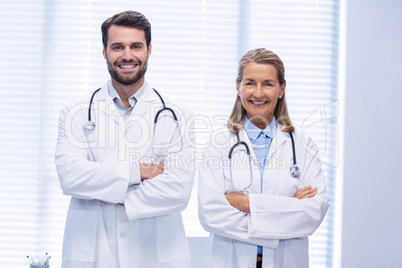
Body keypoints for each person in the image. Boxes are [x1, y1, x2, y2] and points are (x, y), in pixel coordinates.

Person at [55, 11, 195, 268]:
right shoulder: (75, 111)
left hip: (155, 255)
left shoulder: (178, 116)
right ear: (104, 51)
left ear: (149, 50)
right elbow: (70, 177)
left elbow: (178, 190)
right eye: (117, 47)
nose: (127, 56)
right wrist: (137, 172)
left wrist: (103, 190)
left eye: (136, 46)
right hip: (93, 254)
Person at [198, 48, 330, 268]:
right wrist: (289, 207)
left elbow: (314, 212)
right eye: (250, 83)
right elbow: (211, 215)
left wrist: (245, 203)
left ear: (281, 89)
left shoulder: (303, 147)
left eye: (268, 84)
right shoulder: (218, 145)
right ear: (238, 87)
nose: (258, 93)